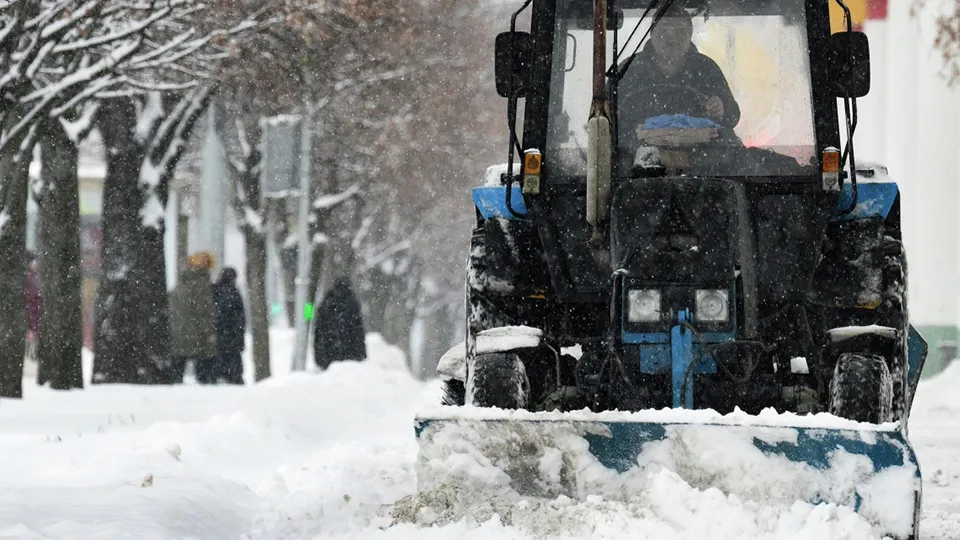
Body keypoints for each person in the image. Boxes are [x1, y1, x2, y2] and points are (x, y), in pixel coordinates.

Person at [619, 13, 741, 138]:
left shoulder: (707, 69)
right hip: (636, 147)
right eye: (664, 31)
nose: (671, 39)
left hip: (703, 147)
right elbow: (610, 118)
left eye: (680, 31)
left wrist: (721, 110)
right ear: (652, 34)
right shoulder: (629, 70)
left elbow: (732, 116)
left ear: (690, 35)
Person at [169, 253, 217, 384]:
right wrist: (209, 333)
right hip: (198, 335)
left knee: (177, 371)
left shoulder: (180, 284)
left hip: (178, 333)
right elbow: (204, 313)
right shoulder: (202, 286)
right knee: (204, 376)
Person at [313, 276, 367, 370]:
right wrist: (361, 352)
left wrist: (319, 352)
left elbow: (319, 327)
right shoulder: (352, 303)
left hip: (328, 350)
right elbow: (358, 330)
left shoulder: (327, 301)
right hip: (349, 351)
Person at [212, 267, 246, 385]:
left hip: (218, 335)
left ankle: (222, 377)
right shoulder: (234, 293)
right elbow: (240, 318)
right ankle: (233, 378)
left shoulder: (215, 291)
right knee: (233, 362)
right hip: (232, 336)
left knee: (220, 359)